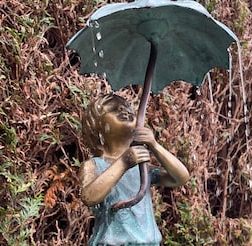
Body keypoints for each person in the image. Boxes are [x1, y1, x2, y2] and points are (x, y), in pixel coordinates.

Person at [79, 94, 189, 246]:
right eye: (113, 109)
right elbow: (89, 197)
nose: (124, 110)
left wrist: (154, 145)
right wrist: (124, 163)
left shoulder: (143, 168)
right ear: (97, 127)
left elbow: (181, 177)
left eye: (127, 107)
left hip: (148, 242)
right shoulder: (95, 165)